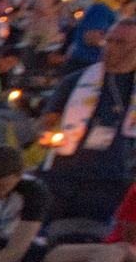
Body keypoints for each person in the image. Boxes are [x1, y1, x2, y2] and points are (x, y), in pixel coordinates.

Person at [39, 18, 136, 225]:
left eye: (120, 43)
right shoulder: (76, 80)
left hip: (111, 179)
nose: (109, 48)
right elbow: (47, 121)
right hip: (63, 173)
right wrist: (47, 133)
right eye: (109, 40)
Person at [65, 0, 135, 69]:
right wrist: (122, 47)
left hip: (91, 63)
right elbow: (91, 38)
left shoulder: (111, 10)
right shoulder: (101, 9)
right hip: (85, 64)